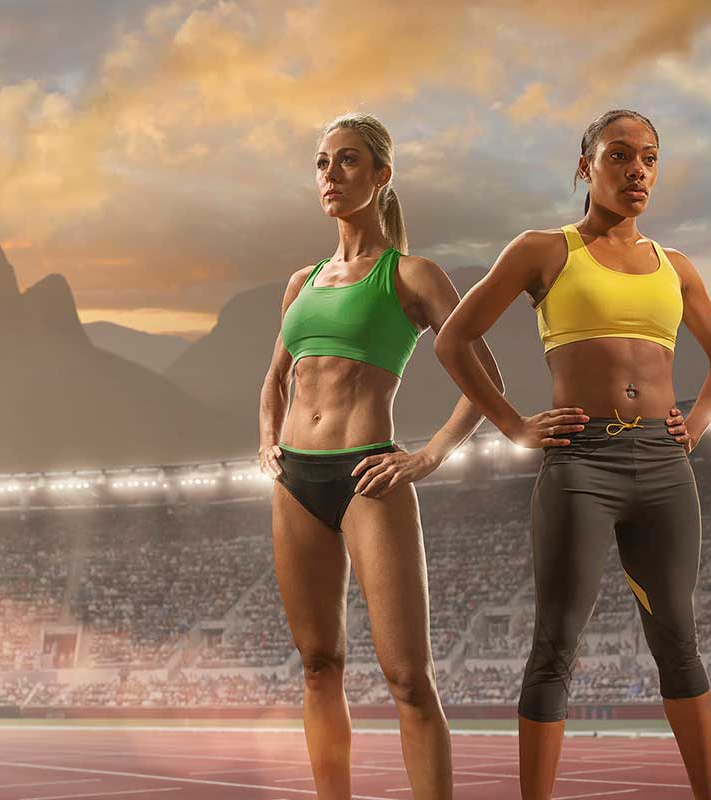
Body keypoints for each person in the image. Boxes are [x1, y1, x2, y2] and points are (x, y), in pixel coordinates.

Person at [434, 109, 711, 800]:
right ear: (585, 167)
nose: (638, 169)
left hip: (664, 467)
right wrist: (513, 426)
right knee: (554, 646)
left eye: (651, 158)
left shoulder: (676, 267)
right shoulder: (545, 250)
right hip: (580, 466)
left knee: (679, 642)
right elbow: (453, 340)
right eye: (621, 155)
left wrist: (693, 424)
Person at [258, 111, 503, 799]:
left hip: (369, 475)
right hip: (295, 483)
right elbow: (273, 381)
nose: (330, 174)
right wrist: (266, 442)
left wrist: (427, 458)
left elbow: (488, 383)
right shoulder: (300, 282)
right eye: (321, 163)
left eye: (347, 160)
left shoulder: (412, 275)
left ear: (381, 175)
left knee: (407, 679)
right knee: (317, 666)